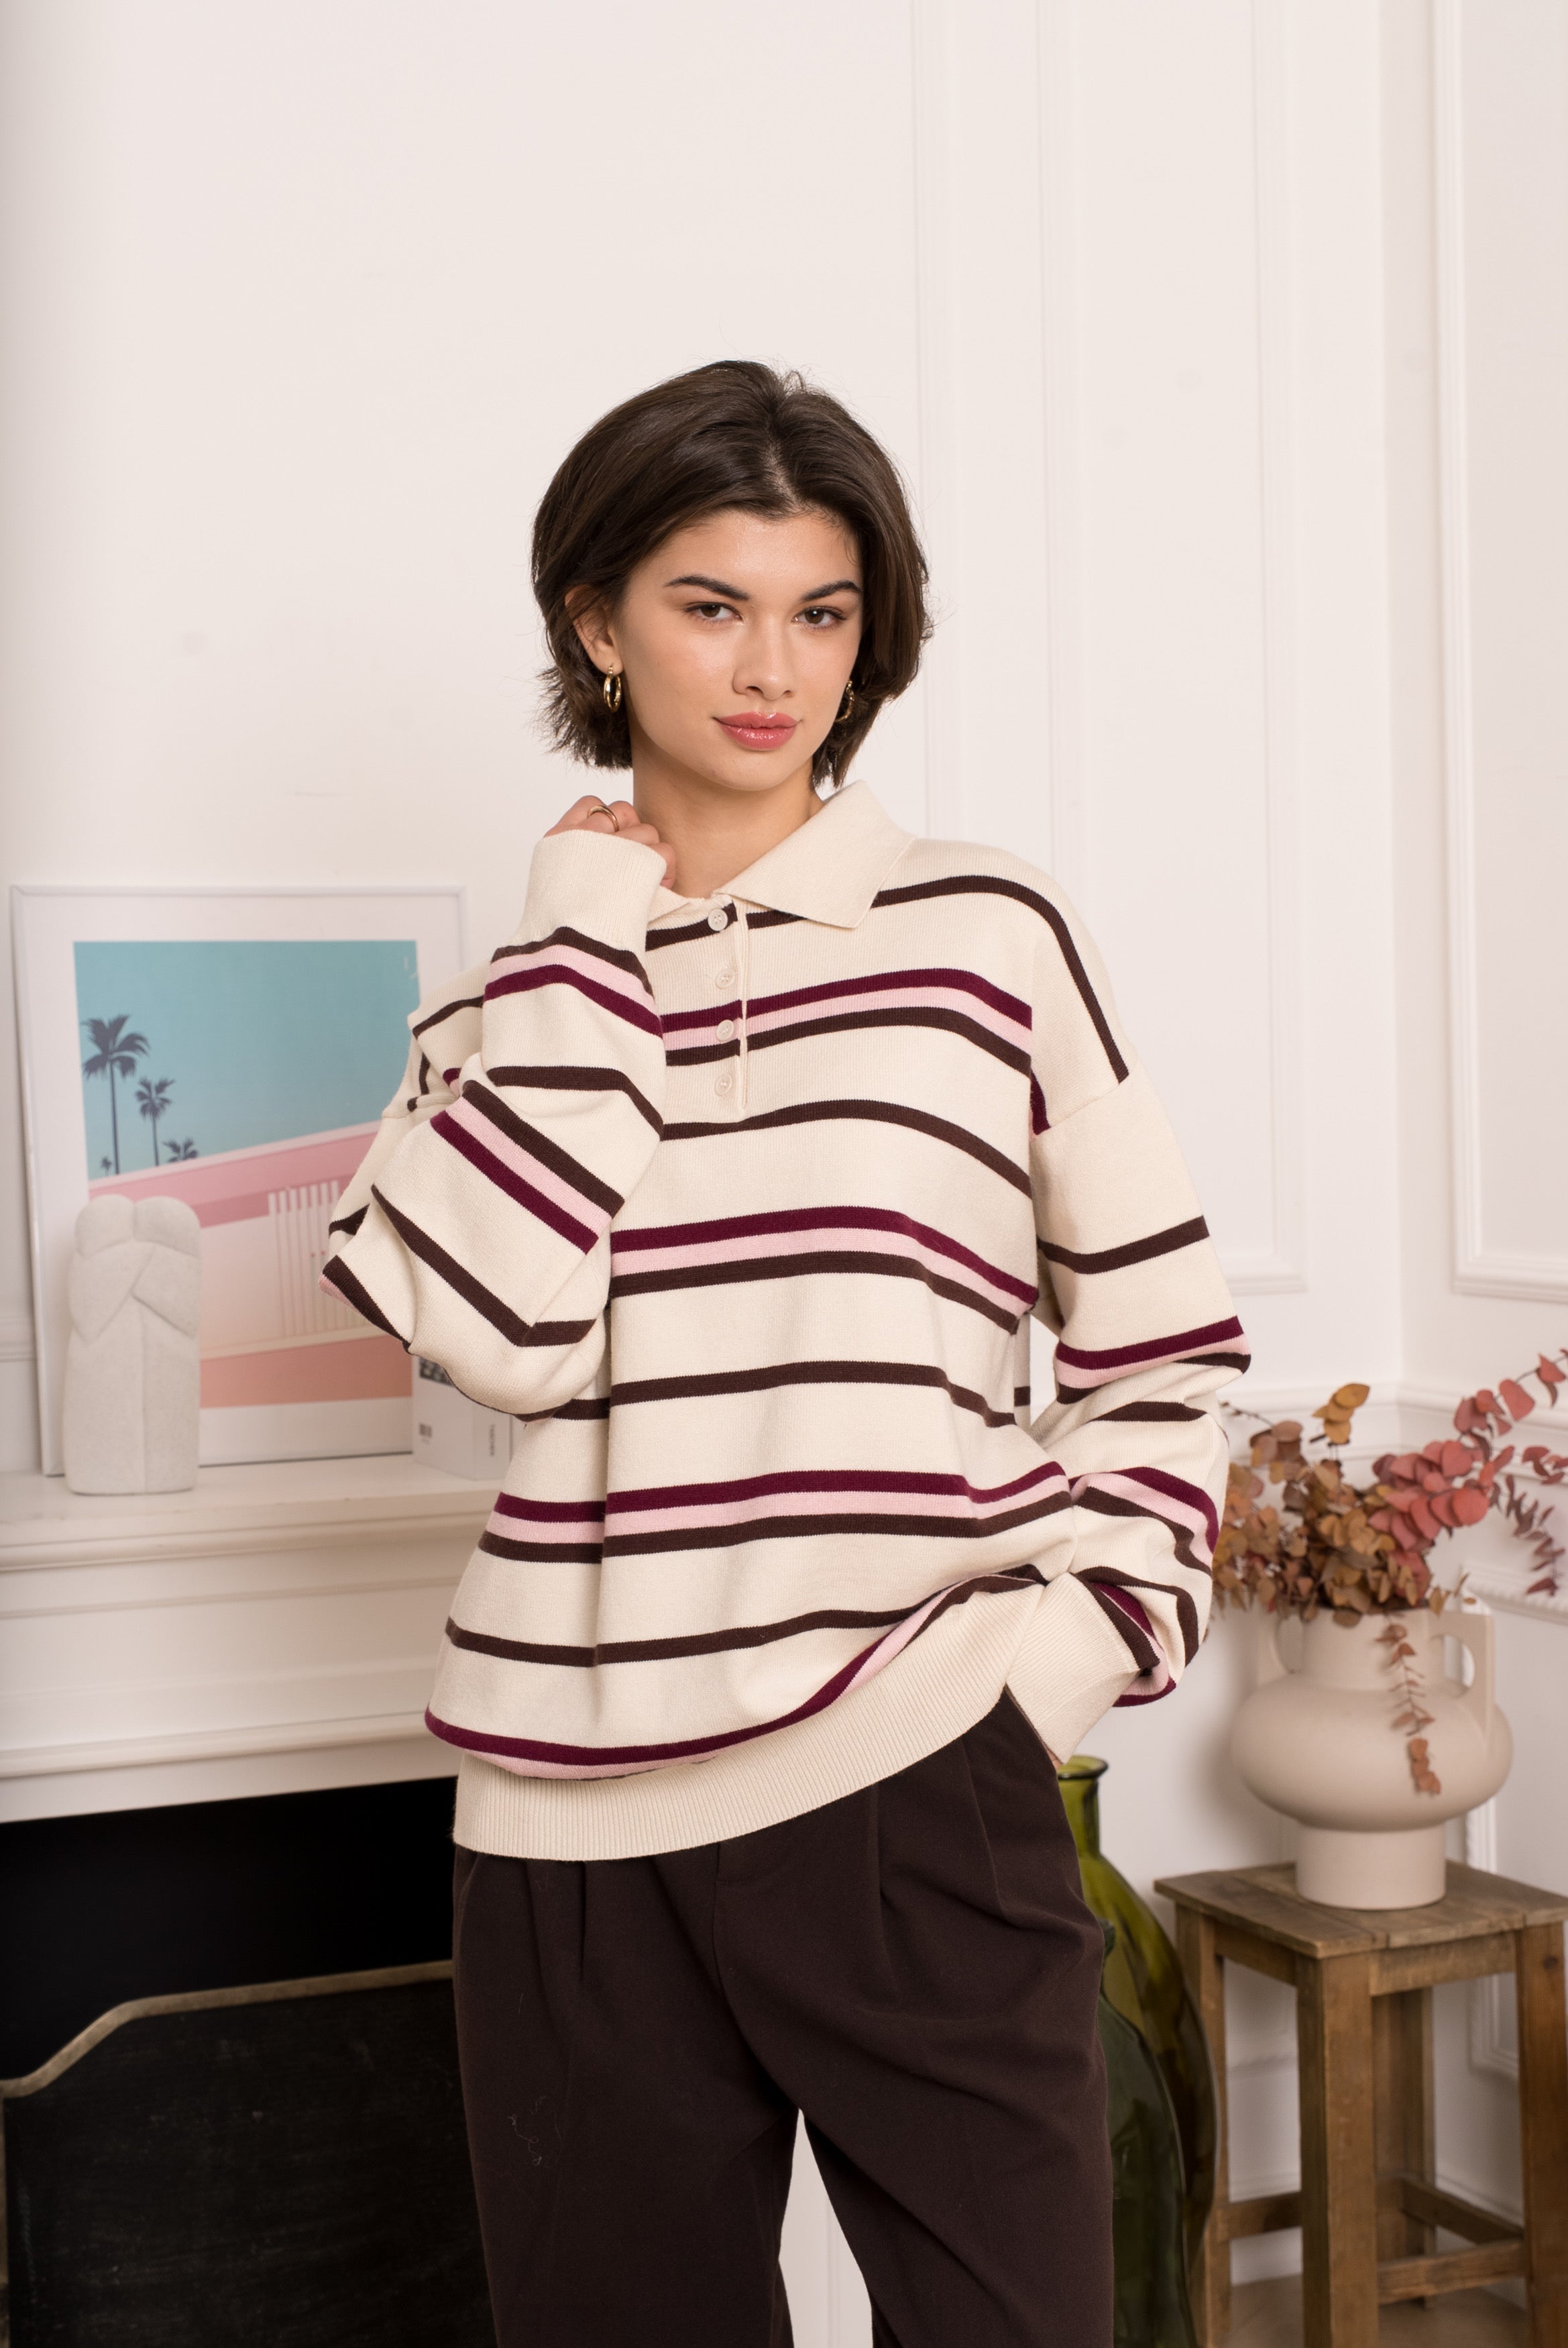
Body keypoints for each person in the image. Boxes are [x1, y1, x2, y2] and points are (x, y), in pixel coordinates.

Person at [323, 360, 1246, 2348]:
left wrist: (1054, 1665)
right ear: (597, 623)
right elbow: (500, 1333)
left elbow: (1166, 1349)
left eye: (821, 612)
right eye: (710, 605)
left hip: (914, 1768)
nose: (773, 670)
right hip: (565, 1837)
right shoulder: (500, 1011)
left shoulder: (986, 936)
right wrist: (586, 940)